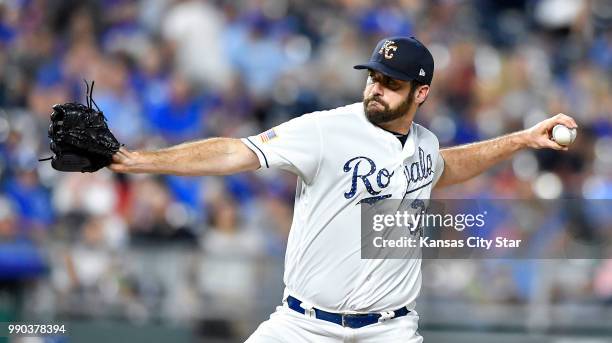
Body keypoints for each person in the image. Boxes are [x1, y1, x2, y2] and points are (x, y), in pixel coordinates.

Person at [110, 37, 577, 342]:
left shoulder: (424, 145)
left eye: (390, 83)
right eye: (373, 76)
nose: (376, 88)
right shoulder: (325, 130)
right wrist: (140, 161)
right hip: (303, 325)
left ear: (421, 93)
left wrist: (521, 138)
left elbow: (445, 167)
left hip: (389, 330)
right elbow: (238, 152)